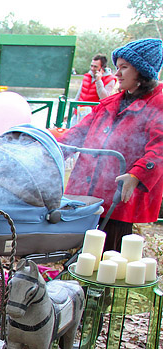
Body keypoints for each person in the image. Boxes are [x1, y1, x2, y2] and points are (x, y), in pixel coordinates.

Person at [61, 38, 163, 251]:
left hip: (119, 195)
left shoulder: (158, 105)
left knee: (110, 252)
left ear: (142, 74)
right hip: (89, 190)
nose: (117, 74)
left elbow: (160, 148)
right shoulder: (111, 102)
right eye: (117, 67)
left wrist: (137, 174)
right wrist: (53, 150)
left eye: (124, 68)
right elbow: (79, 132)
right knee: (81, 251)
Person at [73, 54, 118, 122]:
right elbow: (79, 94)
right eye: (91, 66)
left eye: (95, 67)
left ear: (102, 68)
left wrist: (99, 81)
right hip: (79, 112)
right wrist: (72, 111)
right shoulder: (87, 76)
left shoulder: (110, 79)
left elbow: (105, 97)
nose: (92, 69)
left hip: (93, 116)